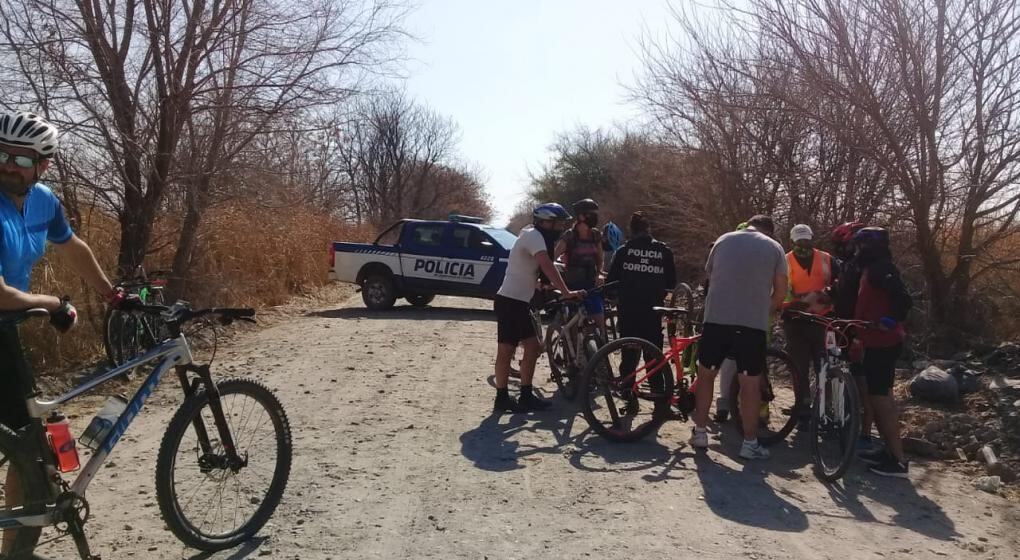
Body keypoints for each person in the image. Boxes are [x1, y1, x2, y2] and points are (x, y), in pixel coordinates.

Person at [0, 111, 118, 556]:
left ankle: (15, 549)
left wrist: (112, 295)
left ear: (42, 166)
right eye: (1, 154)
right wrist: (54, 304)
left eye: (21, 159)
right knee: (23, 444)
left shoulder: (43, 200)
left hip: (7, 332)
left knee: (26, 447)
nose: (8, 165)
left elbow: (71, 246)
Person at [690, 215, 788, 460]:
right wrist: (766, 313)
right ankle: (749, 443)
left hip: (716, 319)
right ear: (770, 231)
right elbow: (781, 292)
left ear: (748, 224)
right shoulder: (775, 248)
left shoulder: (723, 240)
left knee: (706, 375)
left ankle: (700, 433)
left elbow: (711, 276)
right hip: (751, 324)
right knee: (749, 384)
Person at [493, 203, 582, 413]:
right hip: (509, 300)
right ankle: (502, 397)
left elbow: (534, 269)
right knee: (506, 350)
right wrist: (566, 291)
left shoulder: (537, 237)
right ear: (544, 222)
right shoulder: (533, 235)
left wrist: (542, 284)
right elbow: (546, 265)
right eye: (557, 223)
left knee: (532, 348)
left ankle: (525, 395)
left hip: (521, 302)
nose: (560, 228)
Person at [845, 227, 913, 478]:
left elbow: (903, 300)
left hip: (884, 343)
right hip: (874, 341)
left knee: (881, 400)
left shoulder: (880, 269)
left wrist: (889, 319)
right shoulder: (870, 269)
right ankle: (888, 451)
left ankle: (897, 460)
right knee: (878, 397)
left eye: (860, 246)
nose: (857, 251)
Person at [605, 211, 675, 414]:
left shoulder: (623, 251)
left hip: (629, 311)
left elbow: (611, 284)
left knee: (629, 357)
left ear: (631, 230)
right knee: (654, 357)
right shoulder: (664, 251)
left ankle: (629, 398)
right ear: (648, 229)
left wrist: (614, 297)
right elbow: (671, 284)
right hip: (653, 312)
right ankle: (660, 402)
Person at [829, 220, 876, 448]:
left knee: (862, 378)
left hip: (859, 329)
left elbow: (863, 300)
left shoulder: (864, 268)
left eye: (841, 243)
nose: (838, 249)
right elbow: (839, 292)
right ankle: (844, 421)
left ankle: (865, 432)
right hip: (844, 325)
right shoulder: (848, 265)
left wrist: (859, 332)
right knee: (847, 372)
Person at [781, 224, 836, 415]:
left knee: (825, 365)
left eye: (806, 240)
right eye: (799, 240)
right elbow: (778, 288)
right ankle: (802, 405)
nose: (803, 244)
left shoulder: (826, 258)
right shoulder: (784, 260)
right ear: (792, 241)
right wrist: (789, 305)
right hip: (795, 321)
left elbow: (839, 282)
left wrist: (831, 295)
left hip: (822, 320)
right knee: (798, 366)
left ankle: (826, 407)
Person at [555, 199, 606, 335]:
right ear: (581, 216)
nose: (595, 217)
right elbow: (553, 257)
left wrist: (600, 273)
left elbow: (600, 259)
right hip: (572, 285)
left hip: (591, 284)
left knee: (600, 324)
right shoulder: (570, 236)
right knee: (573, 329)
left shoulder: (596, 235)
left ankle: (602, 354)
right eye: (592, 214)